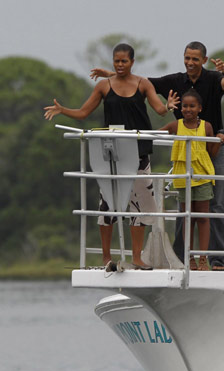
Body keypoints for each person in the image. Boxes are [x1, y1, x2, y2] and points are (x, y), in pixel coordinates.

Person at [91, 41, 224, 270]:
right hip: (184, 151)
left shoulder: (213, 78)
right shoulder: (175, 81)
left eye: (195, 59)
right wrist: (111, 75)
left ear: (204, 61)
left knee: (214, 206)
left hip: (212, 142)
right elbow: (140, 83)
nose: (190, 62)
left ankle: (215, 259)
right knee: (184, 207)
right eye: (187, 57)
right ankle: (183, 256)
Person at [44, 43, 179, 270]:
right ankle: (106, 256)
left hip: (139, 152)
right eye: (116, 61)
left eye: (124, 61)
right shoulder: (104, 86)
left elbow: (159, 109)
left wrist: (168, 106)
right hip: (112, 154)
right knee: (107, 204)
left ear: (132, 62)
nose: (119, 65)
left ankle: (137, 257)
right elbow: (84, 112)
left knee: (143, 205)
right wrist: (63, 110)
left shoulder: (143, 84)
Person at [159, 89, 223, 271]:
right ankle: (189, 257)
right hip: (182, 177)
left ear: (200, 108)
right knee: (187, 218)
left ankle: (203, 257)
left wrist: (220, 139)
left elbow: (212, 152)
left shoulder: (207, 127)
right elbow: (154, 135)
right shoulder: (175, 126)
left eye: (192, 106)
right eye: (185, 106)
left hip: (202, 175)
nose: (188, 109)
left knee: (202, 217)